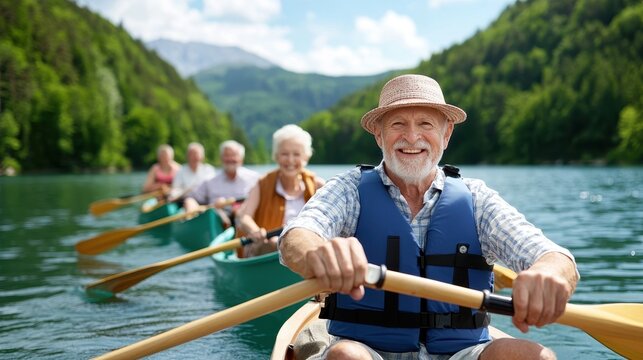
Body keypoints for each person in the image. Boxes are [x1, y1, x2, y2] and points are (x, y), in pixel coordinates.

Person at [279, 74, 579, 360]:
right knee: (345, 356)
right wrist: (318, 253)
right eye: (398, 124)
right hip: (368, 349)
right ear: (379, 135)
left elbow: (554, 256)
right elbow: (297, 236)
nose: (412, 137)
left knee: (533, 356)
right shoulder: (349, 190)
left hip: (462, 352)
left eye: (425, 124)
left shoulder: (477, 199)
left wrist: (550, 274)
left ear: (445, 134)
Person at [236, 124, 325, 258]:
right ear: (276, 156)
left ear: (305, 157)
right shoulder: (262, 183)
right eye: (284, 154)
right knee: (273, 243)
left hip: (306, 248)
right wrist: (254, 230)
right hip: (265, 248)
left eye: (296, 154)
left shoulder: (318, 185)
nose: (290, 160)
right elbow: (244, 217)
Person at [183, 140, 260, 215]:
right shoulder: (210, 181)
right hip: (218, 221)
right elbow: (191, 198)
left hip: (246, 217)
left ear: (241, 159)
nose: (230, 159)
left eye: (234, 155)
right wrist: (191, 208)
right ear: (221, 158)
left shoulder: (254, 178)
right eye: (226, 155)